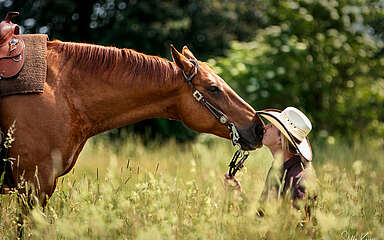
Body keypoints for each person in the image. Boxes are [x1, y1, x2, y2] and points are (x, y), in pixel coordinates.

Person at [225, 107, 317, 214]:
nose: (266, 127)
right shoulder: (278, 170)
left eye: (272, 126)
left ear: (280, 139)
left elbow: (289, 227)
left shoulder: (299, 181)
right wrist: (237, 193)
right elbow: (261, 216)